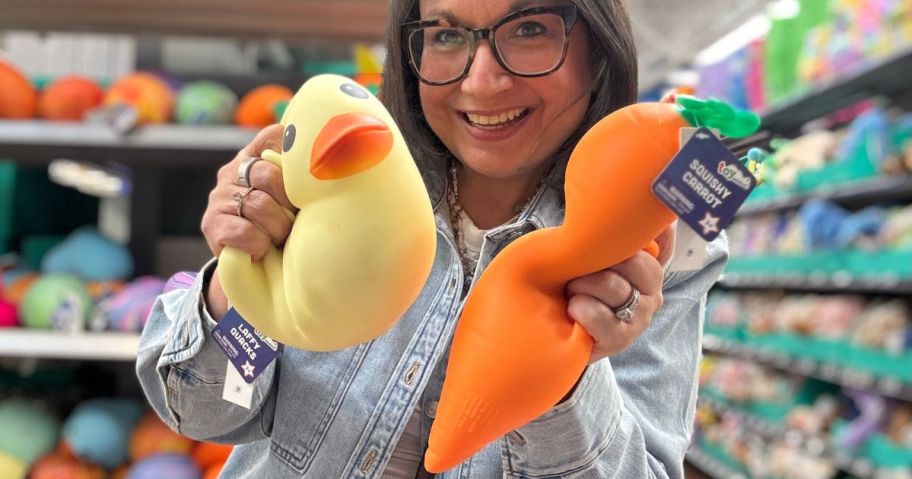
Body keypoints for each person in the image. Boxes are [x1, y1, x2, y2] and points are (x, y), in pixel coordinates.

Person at [136, 0, 729, 477]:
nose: (483, 82)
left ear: (597, 47)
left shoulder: (654, 239)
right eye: (445, 35)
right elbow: (206, 412)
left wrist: (567, 378)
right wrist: (241, 280)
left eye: (528, 29)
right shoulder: (335, 176)